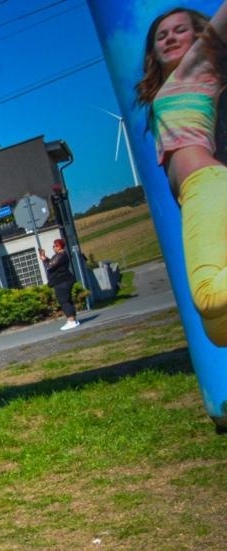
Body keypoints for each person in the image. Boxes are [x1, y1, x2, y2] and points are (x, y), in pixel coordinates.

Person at [136, 3, 227, 343]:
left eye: (180, 30)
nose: (170, 38)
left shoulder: (197, 66)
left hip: (207, 185)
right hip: (197, 195)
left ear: (200, 36)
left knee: (208, 294)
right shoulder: (170, 86)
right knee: (218, 329)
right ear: (152, 52)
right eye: (161, 36)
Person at [39, 238, 80, 330]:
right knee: (67, 300)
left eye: (54, 246)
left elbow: (49, 266)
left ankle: (71, 321)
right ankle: (73, 320)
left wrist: (44, 260)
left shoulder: (60, 255)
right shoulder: (60, 256)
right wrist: (44, 257)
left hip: (62, 282)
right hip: (64, 281)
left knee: (64, 301)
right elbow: (53, 264)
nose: (53, 248)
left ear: (59, 247)